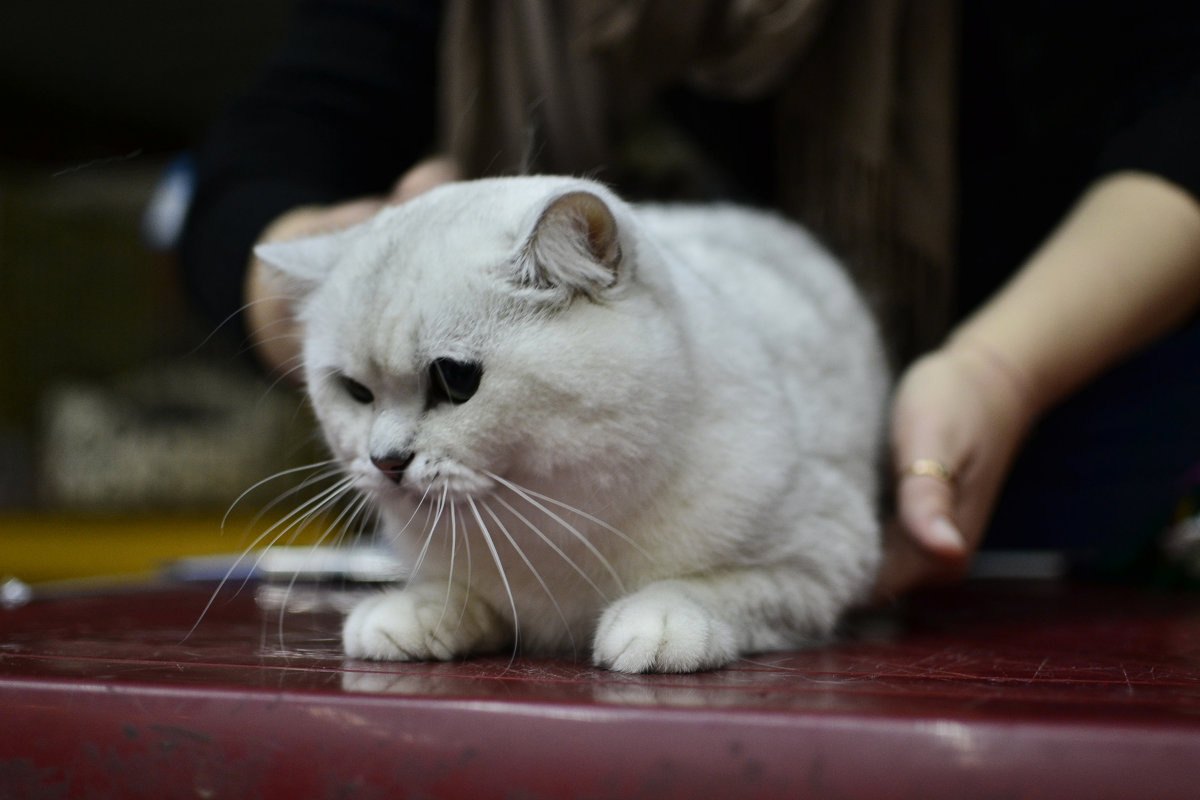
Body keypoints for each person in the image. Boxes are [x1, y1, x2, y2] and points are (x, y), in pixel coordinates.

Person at [179, 0, 1200, 599]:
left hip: (1061, 338)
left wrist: (1002, 368)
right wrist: (334, 283)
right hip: (539, 432)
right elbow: (260, 161)